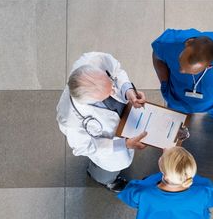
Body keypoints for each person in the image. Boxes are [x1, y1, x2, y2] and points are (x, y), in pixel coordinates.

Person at [57, 52, 147, 192]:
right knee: (108, 171)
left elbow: (116, 71)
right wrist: (124, 144)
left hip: (123, 118)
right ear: (91, 101)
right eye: (107, 93)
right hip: (109, 149)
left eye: (111, 84)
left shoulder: (93, 60)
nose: (113, 91)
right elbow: (85, 147)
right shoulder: (70, 120)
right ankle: (105, 180)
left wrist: (128, 91)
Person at [151, 28, 213, 145]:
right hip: (178, 96)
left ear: (209, 66)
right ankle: (178, 121)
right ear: (187, 43)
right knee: (176, 112)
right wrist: (164, 82)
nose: (181, 70)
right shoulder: (168, 43)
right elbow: (157, 55)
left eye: (190, 71)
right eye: (180, 61)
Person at [117, 147, 213, 219]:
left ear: (162, 170)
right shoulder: (203, 191)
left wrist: (167, 156)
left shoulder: (144, 193)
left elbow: (128, 195)